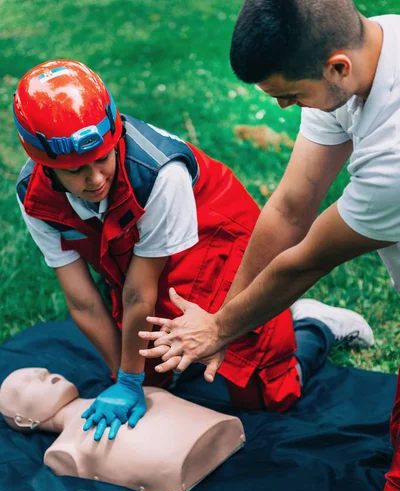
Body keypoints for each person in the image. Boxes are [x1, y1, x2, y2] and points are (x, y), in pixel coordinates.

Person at [14, 60, 373, 442]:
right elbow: (83, 300)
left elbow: (138, 292)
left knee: (268, 389)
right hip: (134, 249)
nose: (96, 178)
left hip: (212, 235)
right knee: (151, 368)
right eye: (77, 171)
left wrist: (132, 378)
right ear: (45, 166)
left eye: (103, 158)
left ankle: (314, 326)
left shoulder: (159, 173)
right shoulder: (33, 196)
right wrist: (128, 378)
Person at [139, 1, 398, 381]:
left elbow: (307, 261)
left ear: (338, 68)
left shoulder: (392, 157)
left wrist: (218, 329)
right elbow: (291, 208)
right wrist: (222, 319)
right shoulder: (363, 49)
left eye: (291, 94)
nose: (284, 105)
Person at [0, 368, 244, 491]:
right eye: (29, 384)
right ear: (22, 420)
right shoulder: (63, 451)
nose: (46, 374)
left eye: (41, 371)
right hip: (184, 469)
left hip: (223, 429)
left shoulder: (132, 391)